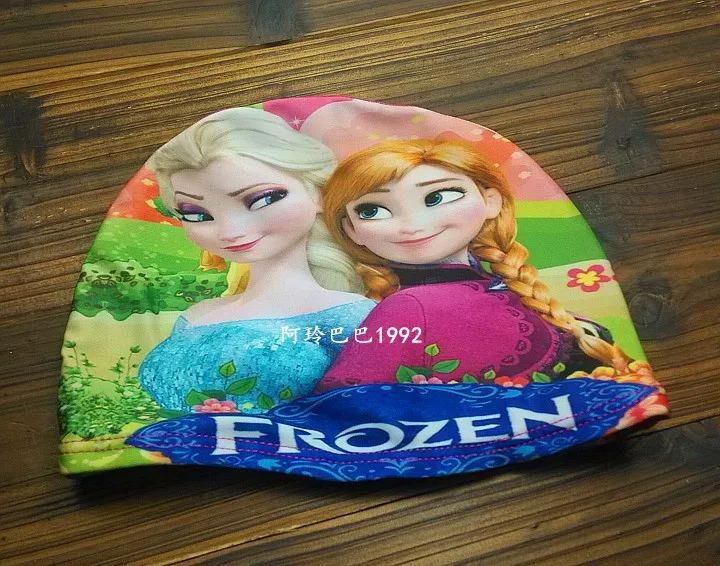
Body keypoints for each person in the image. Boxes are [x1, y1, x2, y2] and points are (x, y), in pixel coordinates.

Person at [316, 138, 630, 391]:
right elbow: (343, 395)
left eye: (437, 197)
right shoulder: (405, 307)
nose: (412, 225)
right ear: (351, 230)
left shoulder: (506, 287)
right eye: (372, 210)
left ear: (490, 200)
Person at [138, 108, 376, 413]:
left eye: (263, 199)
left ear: (318, 193)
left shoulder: (348, 315)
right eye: (196, 215)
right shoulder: (195, 315)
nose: (230, 231)